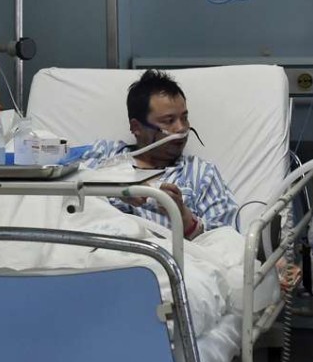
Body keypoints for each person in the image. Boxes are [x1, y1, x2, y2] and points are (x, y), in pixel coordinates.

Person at [81, 69, 238, 240]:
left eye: (184, 118)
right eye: (169, 121)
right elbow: (54, 182)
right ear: (136, 127)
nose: (181, 128)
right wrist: (112, 185)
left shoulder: (200, 174)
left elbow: (227, 242)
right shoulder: (103, 154)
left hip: (165, 260)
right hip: (97, 255)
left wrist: (183, 216)